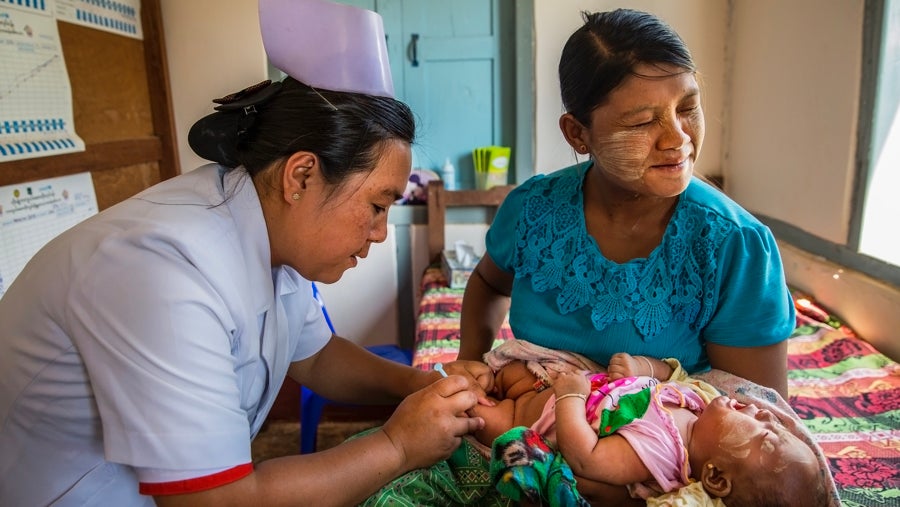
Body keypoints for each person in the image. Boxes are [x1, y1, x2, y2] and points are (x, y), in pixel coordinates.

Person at [0, 1, 492, 505]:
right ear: (301, 176)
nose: (381, 233)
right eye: (375, 205)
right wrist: (398, 445)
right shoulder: (160, 270)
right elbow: (216, 500)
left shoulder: (272, 229)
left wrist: (421, 383)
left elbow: (317, 357)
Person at [458, 7, 797, 401]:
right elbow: (487, 282)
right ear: (577, 133)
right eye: (641, 122)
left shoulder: (735, 245)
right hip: (530, 430)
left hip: (665, 451)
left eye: (687, 108)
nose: (677, 139)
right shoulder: (533, 211)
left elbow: (758, 412)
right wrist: (472, 361)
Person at [469, 342, 824, 507]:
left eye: (764, 432)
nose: (764, 413)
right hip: (550, 384)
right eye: (775, 421)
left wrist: (571, 397)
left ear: (715, 477)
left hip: (540, 416)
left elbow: (586, 457)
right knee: (495, 371)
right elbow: (675, 373)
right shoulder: (701, 403)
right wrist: (644, 367)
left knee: (472, 408)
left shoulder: (660, 454)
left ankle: (420, 388)